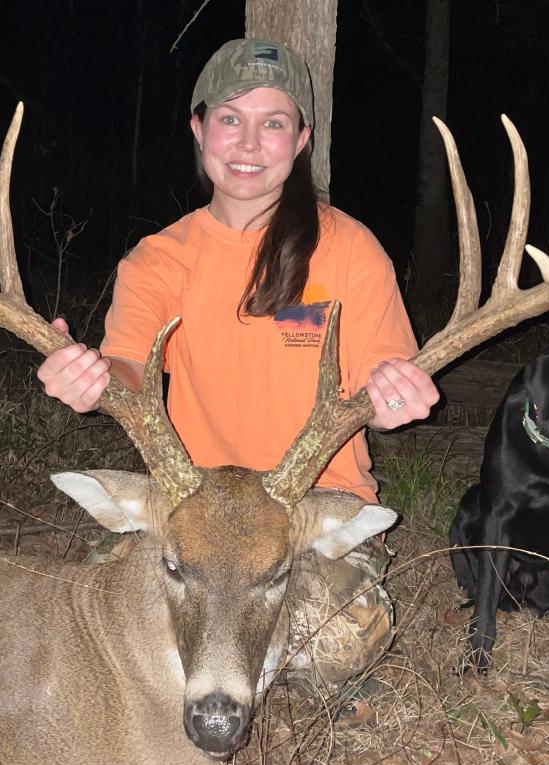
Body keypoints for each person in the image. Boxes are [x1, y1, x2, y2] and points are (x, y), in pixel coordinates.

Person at [37, 38, 439, 689]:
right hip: (195, 506)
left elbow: (385, 388)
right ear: (199, 130)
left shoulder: (351, 252)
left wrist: (397, 396)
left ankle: (240, 654)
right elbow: (129, 372)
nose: (249, 144)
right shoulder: (158, 260)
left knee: (335, 643)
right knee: (96, 625)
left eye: (273, 123)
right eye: (230, 119)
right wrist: (94, 382)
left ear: (302, 139)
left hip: (312, 507)